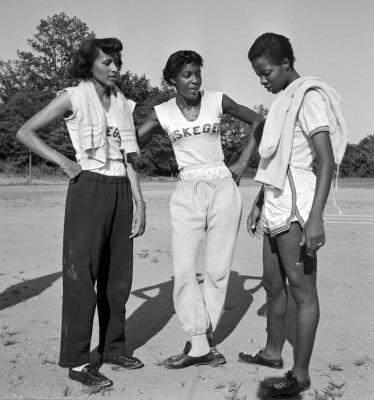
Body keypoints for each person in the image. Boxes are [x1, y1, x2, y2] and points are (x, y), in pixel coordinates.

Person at [16, 38, 146, 387]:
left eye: (117, 61)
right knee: (81, 278)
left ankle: (114, 348)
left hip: (120, 190)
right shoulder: (73, 95)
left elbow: (129, 156)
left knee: (118, 279)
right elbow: (25, 131)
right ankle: (76, 361)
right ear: (90, 65)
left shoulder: (122, 102)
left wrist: (139, 201)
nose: (115, 68)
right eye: (107, 62)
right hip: (88, 188)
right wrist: (63, 162)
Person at [137, 50, 263, 369]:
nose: (194, 81)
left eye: (197, 74)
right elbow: (129, 143)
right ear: (172, 80)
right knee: (183, 270)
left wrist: (244, 160)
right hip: (187, 190)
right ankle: (198, 340)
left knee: (217, 272)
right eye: (186, 75)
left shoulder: (217, 100)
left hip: (222, 183)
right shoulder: (161, 112)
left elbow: (258, 121)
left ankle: (200, 344)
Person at [238, 33, 347, 398]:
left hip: (297, 203)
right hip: (274, 198)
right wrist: (258, 201)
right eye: (258, 74)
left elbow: (326, 160)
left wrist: (315, 218)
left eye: (266, 72)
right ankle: (272, 352)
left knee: (303, 291)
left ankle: (300, 375)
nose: (263, 80)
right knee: (272, 283)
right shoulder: (284, 99)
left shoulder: (309, 97)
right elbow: (275, 161)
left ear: (285, 64)